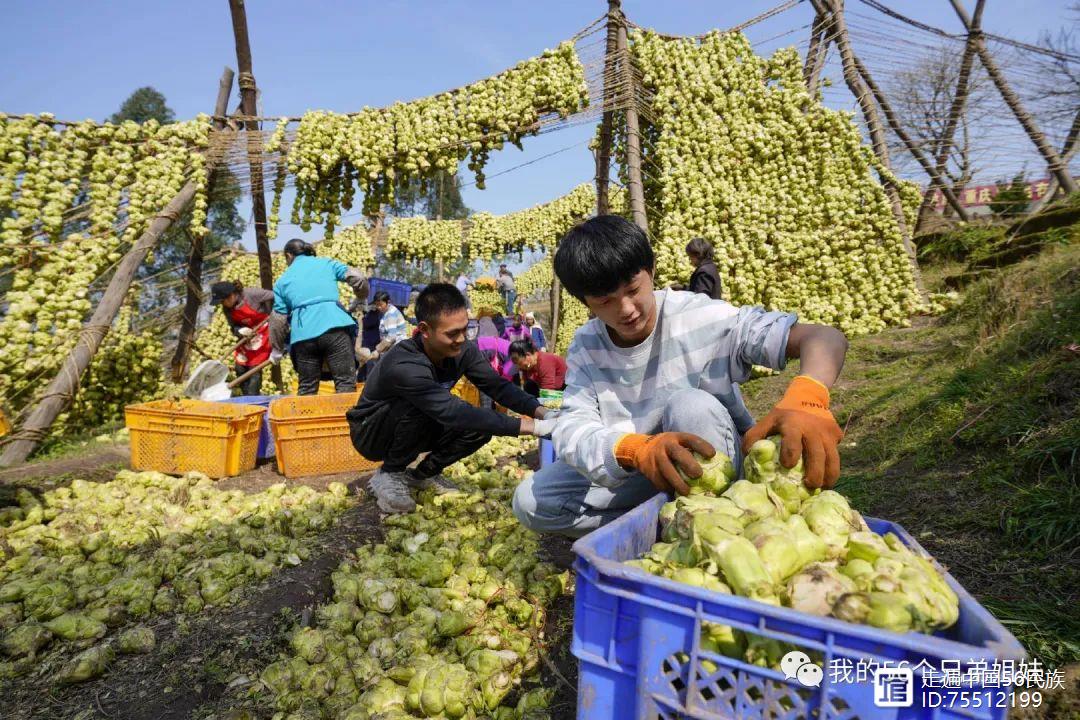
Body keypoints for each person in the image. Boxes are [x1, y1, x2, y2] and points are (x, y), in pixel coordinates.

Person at [512, 215, 848, 538]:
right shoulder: (587, 344)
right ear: (586, 302)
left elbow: (823, 338)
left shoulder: (700, 316)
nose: (626, 309)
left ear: (651, 271)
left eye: (633, 289)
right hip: (646, 464)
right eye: (606, 301)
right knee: (532, 502)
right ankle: (675, 526)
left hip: (717, 463)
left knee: (691, 405)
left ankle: (723, 518)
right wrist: (635, 450)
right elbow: (573, 427)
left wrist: (808, 396)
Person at [346, 284, 556, 513]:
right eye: (452, 333)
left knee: (480, 427)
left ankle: (423, 475)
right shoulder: (405, 364)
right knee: (430, 405)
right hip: (372, 431)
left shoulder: (463, 350)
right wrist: (535, 427)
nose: (461, 339)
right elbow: (451, 411)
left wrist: (544, 413)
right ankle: (390, 474)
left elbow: (498, 386)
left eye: (464, 329)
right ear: (425, 330)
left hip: (418, 422)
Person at [268, 239, 368, 395]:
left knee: (307, 387)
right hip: (335, 328)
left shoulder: (282, 281)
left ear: (288, 255)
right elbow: (358, 277)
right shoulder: (327, 264)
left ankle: (308, 419)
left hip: (303, 336)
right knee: (345, 383)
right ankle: (345, 419)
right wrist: (361, 296)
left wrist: (276, 349)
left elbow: (277, 320)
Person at [209, 280, 273, 396]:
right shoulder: (227, 309)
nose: (222, 304)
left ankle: (252, 400)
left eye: (223, 301)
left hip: (264, 332)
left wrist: (274, 314)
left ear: (231, 296)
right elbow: (233, 327)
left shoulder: (252, 294)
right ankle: (246, 397)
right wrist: (239, 331)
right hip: (247, 338)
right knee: (240, 368)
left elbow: (275, 296)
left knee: (254, 370)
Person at [357, 291, 409, 367]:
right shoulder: (384, 310)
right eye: (377, 305)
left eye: (381, 305)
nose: (378, 307)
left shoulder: (391, 315)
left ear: (388, 302)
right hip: (389, 348)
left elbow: (391, 337)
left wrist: (378, 350)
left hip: (396, 349)